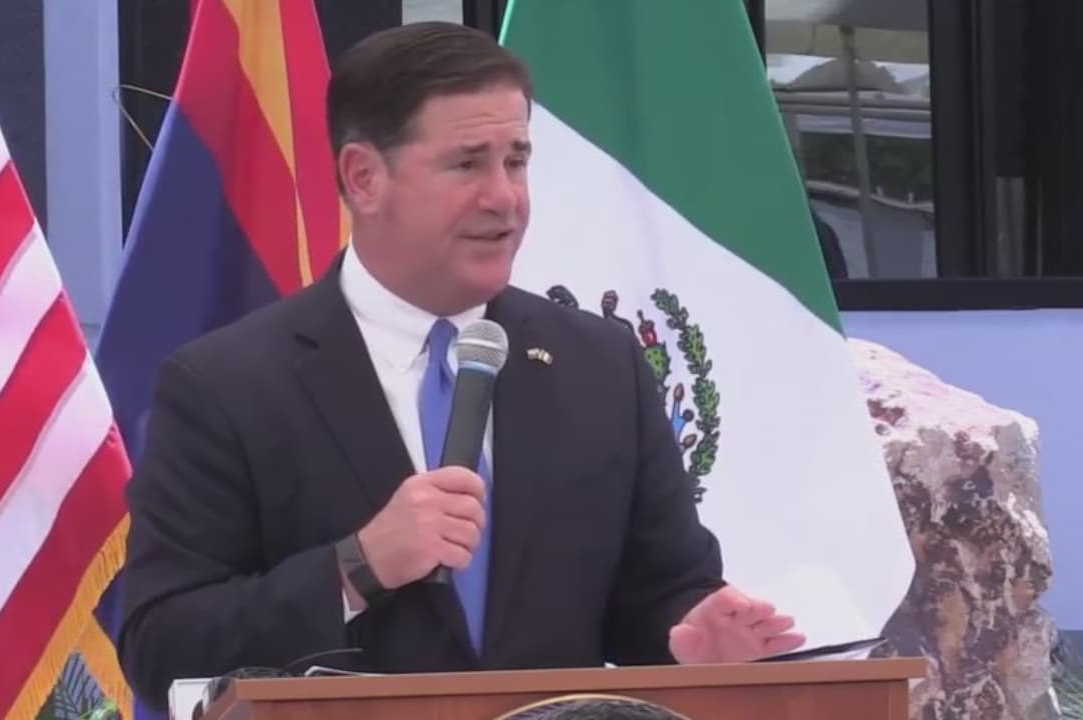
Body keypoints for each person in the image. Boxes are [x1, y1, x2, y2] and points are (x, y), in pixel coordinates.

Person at [115, 21, 803, 711]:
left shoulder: (601, 365)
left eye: (517, 161)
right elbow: (161, 645)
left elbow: (659, 591)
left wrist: (689, 641)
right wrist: (357, 567)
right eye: (468, 164)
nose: (505, 197)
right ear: (364, 178)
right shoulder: (228, 386)